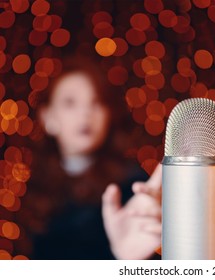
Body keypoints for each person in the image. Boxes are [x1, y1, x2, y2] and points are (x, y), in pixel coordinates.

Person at [18, 58, 162, 259]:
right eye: (70, 103)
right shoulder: (32, 185)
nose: (85, 113)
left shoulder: (132, 183)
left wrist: (128, 262)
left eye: (96, 102)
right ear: (48, 117)